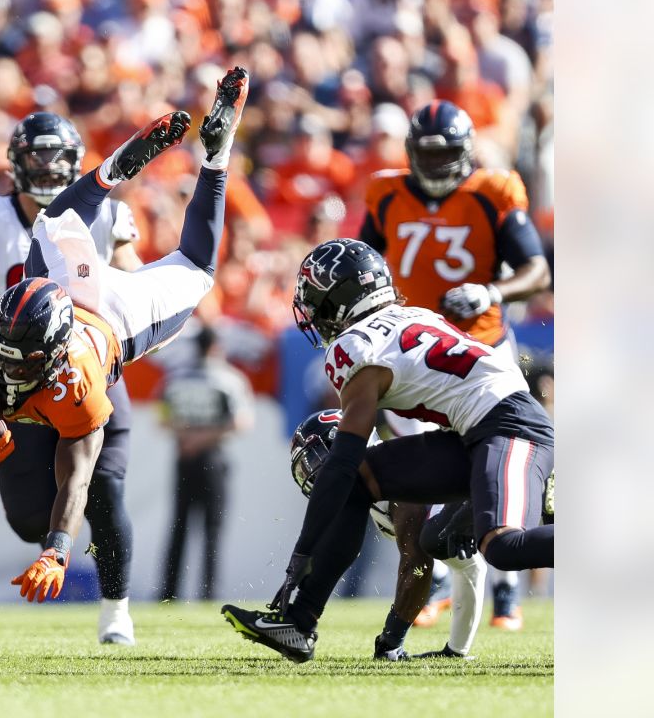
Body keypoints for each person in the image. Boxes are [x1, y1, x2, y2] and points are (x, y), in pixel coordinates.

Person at [0, 67, 251, 604]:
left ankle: (217, 159)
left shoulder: (77, 379)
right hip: (54, 288)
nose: (12, 372)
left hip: (114, 318)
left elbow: (76, 473)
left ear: (49, 359)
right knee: (54, 220)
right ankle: (114, 167)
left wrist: (59, 549)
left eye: (25, 365)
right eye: (5, 360)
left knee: (197, 270)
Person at [221, 237, 553, 663]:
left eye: (318, 301)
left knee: (504, 546)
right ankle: (299, 624)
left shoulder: (354, 347)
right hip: (479, 430)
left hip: (508, 425)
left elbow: (341, 459)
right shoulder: (413, 314)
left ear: (338, 300)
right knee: (363, 482)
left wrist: (301, 556)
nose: (315, 314)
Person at [0, 112, 143, 645]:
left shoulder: (106, 217)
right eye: (37, 156)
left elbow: (133, 295)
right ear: (15, 163)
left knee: (104, 491)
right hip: (10, 386)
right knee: (29, 519)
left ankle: (115, 610)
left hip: (84, 374)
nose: (49, 168)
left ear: (75, 163)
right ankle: (55, 545)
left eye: (58, 157)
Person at [357, 100, 551, 631]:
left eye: (445, 154)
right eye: (425, 153)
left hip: (484, 351)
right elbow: (363, 265)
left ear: (466, 153)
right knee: (418, 471)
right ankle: (435, 575)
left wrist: (492, 290)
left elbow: (536, 270)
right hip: (412, 355)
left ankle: (506, 588)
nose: (435, 163)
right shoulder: (386, 192)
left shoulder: (493, 191)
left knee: (495, 461)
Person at [278, 410, 487, 661]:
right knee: (460, 560)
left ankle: (455, 639)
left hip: (497, 491)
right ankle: (454, 648)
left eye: (318, 458)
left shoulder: (392, 478)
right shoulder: (372, 485)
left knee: (478, 556)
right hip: (468, 506)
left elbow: (418, 563)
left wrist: (390, 642)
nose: (314, 473)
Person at [157, 324, 254, 603]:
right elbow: (241, 421)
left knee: (178, 527)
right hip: (214, 458)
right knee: (213, 530)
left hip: (183, 456)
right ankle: (208, 594)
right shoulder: (229, 379)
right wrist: (203, 438)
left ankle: (168, 593)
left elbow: (162, 417)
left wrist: (186, 437)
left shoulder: (177, 378)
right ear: (215, 347)